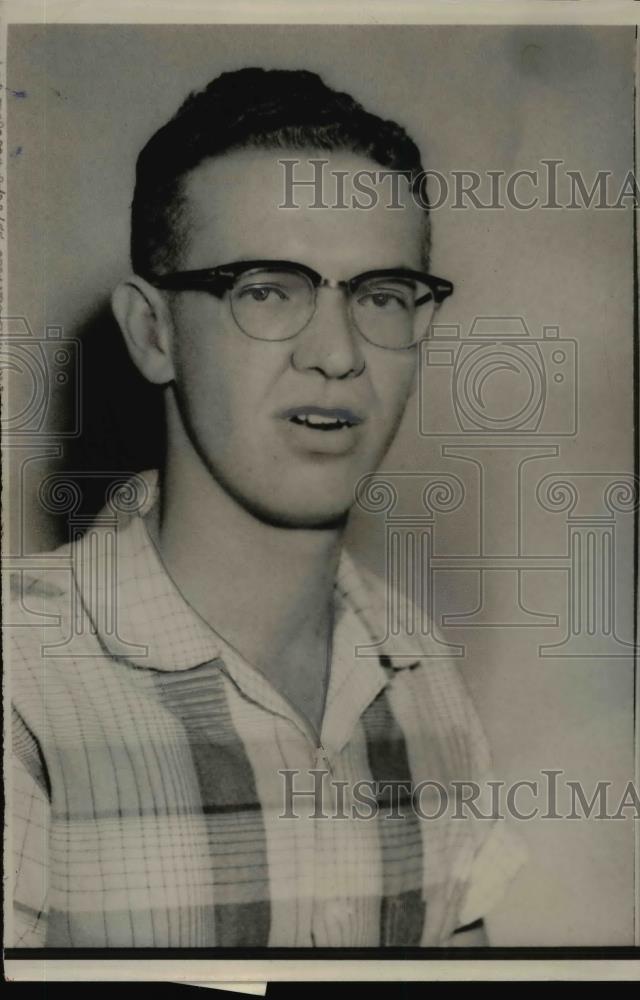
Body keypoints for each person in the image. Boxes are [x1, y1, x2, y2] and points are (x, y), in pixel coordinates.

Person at [9, 67, 526, 947]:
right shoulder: (24, 679)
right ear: (153, 332)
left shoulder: (423, 673)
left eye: (382, 296)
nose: (337, 352)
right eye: (267, 289)